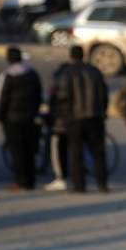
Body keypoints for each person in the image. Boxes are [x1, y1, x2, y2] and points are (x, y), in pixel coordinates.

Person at [50, 45, 109, 193]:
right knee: (98, 152)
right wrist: (102, 112)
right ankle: (102, 183)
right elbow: (104, 95)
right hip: (95, 117)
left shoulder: (67, 73)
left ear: (71, 56)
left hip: (75, 119)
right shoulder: (95, 71)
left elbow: (62, 97)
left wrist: (64, 115)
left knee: (76, 153)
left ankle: (79, 185)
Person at [0, 47, 43, 190]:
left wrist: (0, 116)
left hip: (12, 119)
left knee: (17, 151)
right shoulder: (32, 73)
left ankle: (20, 181)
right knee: (30, 149)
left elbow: (1, 99)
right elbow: (39, 95)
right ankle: (30, 180)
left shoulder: (7, 75)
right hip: (30, 118)